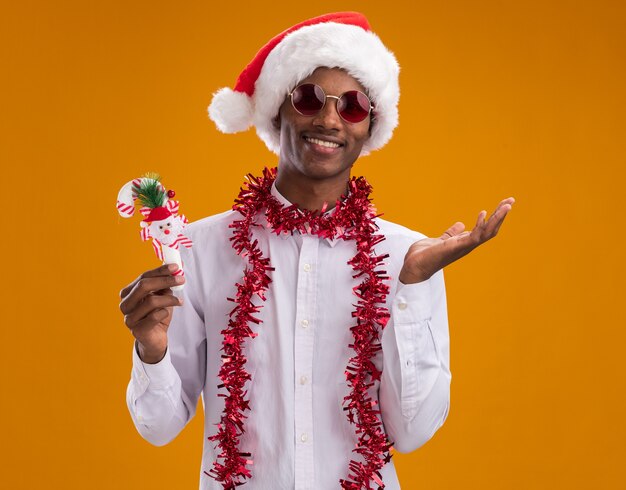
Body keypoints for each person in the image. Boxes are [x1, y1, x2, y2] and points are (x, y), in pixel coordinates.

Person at [120, 12, 514, 490]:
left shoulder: (408, 255)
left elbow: (412, 433)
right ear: (277, 110)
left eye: (352, 107)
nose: (329, 119)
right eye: (308, 98)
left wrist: (411, 288)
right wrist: (152, 348)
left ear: (369, 127)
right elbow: (158, 426)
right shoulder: (201, 249)